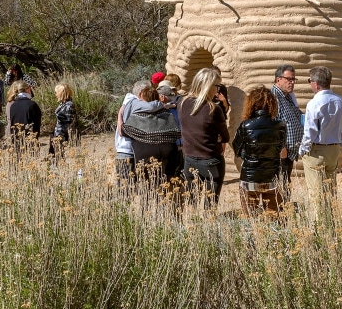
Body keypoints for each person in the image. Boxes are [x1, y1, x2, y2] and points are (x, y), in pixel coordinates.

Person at [298, 66, 342, 223]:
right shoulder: (341, 102)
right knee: (330, 191)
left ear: (315, 83)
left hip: (316, 150)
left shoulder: (314, 103)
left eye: (309, 81)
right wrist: (337, 145)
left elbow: (309, 132)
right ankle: (330, 224)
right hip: (333, 150)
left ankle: (319, 231)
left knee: (316, 194)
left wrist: (303, 150)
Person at [177, 67, 230, 208]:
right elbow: (225, 137)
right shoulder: (213, 109)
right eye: (216, 86)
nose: (217, 91)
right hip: (211, 160)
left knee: (191, 203)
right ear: (208, 86)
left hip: (189, 159)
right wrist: (215, 136)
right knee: (210, 205)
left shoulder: (182, 103)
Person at [232, 85, 287, 216]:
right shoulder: (280, 126)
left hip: (250, 178)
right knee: (275, 218)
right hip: (272, 176)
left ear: (251, 104)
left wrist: (248, 155)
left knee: (251, 218)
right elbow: (281, 149)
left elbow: (237, 149)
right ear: (272, 104)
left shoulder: (245, 125)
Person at [122, 80, 182, 183]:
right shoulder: (167, 113)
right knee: (167, 183)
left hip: (144, 155)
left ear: (142, 98)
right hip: (168, 153)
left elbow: (124, 131)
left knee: (148, 185)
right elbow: (176, 132)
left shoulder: (137, 116)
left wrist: (120, 117)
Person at [271, 63, 303, 190]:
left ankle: (284, 207)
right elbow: (273, 125)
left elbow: (297, 116)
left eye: (293, 79)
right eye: (288, 79)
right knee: (281, 183)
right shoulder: (274, 97)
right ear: (278, 79)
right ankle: (281, 208)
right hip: (282, 152)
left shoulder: (288, 96)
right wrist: (281, 147)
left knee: (285, 182)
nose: (292, 82)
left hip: (289, 152)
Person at [7, 81, 42, 155]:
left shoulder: (13, 105)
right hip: (30, 140)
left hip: (16, 139)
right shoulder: (32, 105)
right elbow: (37, 123)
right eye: (29, 88)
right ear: (26, 89)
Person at [114, 85, 138, 182]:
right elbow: (122, 131)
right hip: (128, 150)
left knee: (126, 187)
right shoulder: (134, 105)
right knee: (127, 187)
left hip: (124, 150)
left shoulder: (126, 105)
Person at [50, 83, 76, 155]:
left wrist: (61, 135)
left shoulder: (69, 105)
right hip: (58, 132)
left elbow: (69, 122)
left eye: (56, 92)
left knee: (59, 154)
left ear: (61, 93)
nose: (55, 94)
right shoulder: (63, 103)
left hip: (62, 134)